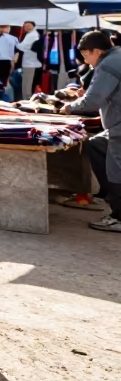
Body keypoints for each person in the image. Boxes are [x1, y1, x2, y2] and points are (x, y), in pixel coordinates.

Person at [58, 31, 121, 232]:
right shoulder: (116, 56)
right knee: (96, 144)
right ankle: (106, 196)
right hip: (115, 125)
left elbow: (93, 100)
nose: (87, 61)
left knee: (116, 171)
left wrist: (68, 108)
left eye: (87, 56)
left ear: (98, 51)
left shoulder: (108, 65)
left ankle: (119, 216)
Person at [16, 20, 42, 100]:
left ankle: (27, 99)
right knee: (26, 83)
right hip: (29, 63)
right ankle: (26, 98)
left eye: (28, 25)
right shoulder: (29, 35)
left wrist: (16, 43)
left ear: (33, 26)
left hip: (31, 64)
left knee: (27, 84)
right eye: (24, 26)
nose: (25, 27)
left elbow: (21, 47)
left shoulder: (32, 35)